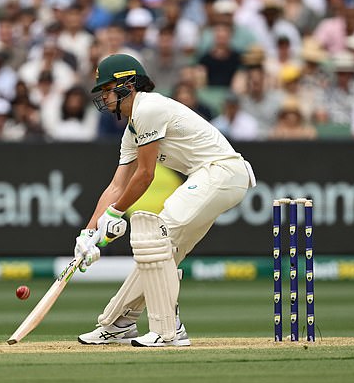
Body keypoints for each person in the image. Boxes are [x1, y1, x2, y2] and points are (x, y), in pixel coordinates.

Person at [74, 54, 255, 347]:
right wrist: (89, 231)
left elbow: (145, 175)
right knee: (159, 255)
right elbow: (117, 184)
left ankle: (169, 329)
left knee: (156, 238)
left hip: (222, 172)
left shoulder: (150, 108)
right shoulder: (132, 130)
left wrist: (115, 214)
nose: (104, 97)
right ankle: (118, 323)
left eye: (107, 89)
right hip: (211, 176)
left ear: (127, 85)